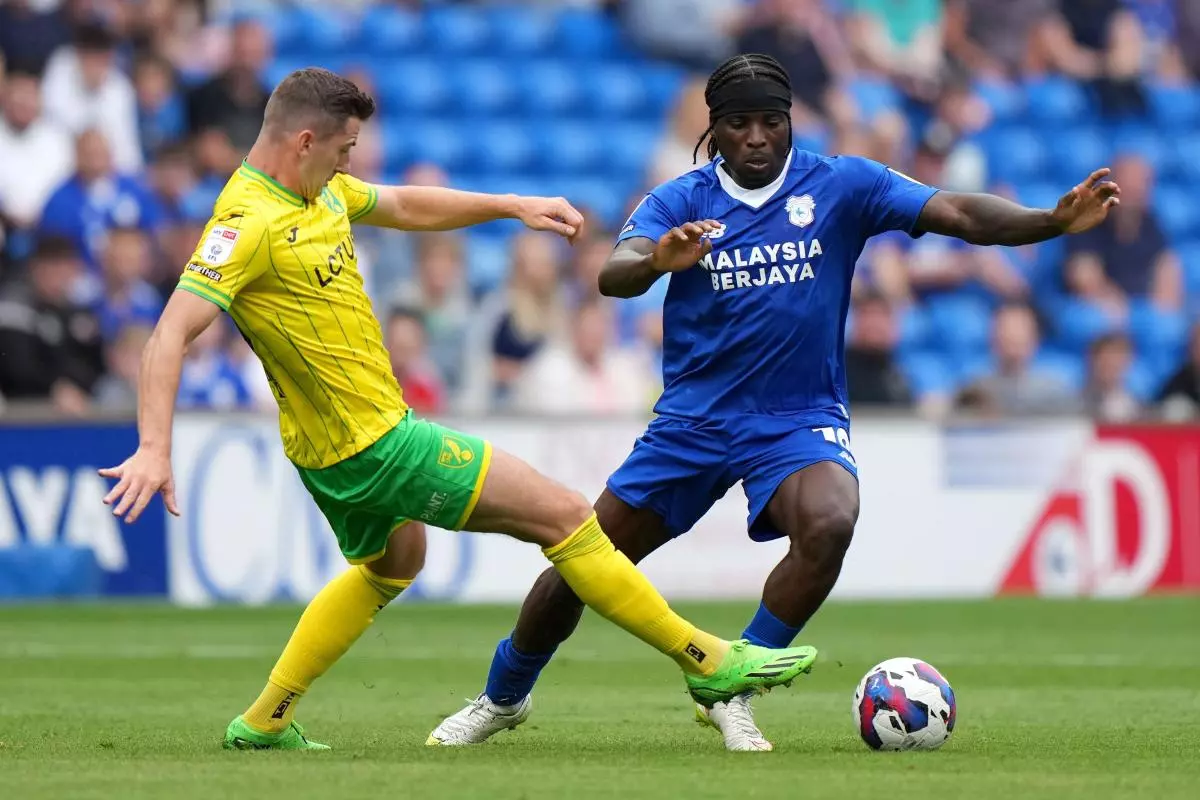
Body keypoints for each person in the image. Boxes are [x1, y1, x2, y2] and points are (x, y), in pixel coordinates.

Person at [97, 67, 819, 752]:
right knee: (567, 516)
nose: (353, 165)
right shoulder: (245, 222)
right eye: (346, 150)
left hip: (327, 453)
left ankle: (264, 719)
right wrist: (155, 448)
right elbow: (168, 334)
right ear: (305, 142)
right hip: (376, 444)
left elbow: (406, 203)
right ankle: (708, 659)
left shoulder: (319, 192)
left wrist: (511, 207)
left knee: (394, 562)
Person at [431, 53, 1121, 752]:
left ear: (790, 122)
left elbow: (955, 209)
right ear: (715, 130)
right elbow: (614, 274)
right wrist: (655, 262)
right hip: (692, 423)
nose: (756, 137)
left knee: (830, 521)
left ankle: (730, 687)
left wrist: (1048, 222)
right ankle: (501, 697)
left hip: (797, 419)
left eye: (770, 122)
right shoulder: (680, 200)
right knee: (583, 564)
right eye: (738, 124)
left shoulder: (843, 183)